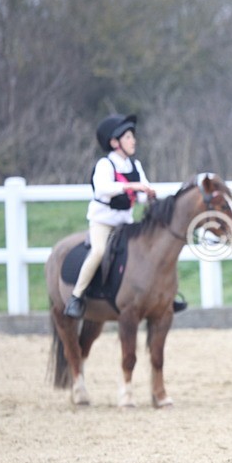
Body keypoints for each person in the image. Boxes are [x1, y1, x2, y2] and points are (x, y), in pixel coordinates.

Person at [65, 114, 156, 318]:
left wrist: (148, 194)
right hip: (103, 222)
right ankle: (76, 296)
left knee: (145, 253)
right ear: (115, 143)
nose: (133, 141)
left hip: (126, 222)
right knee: (98, 252)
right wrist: (132, 186)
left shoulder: (136, 166)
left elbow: (140, 195)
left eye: (133, 136)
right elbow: (102, 190)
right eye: (128, 137)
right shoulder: (105, 165)